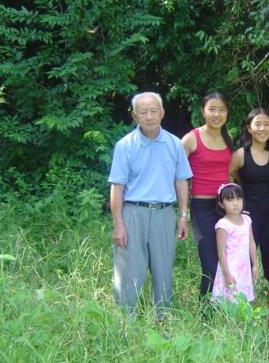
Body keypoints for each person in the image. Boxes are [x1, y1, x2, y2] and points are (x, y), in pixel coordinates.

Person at [108, 91, 192, 319]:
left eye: (154, 111)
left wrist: (183, 215)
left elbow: (181, 180)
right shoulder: (125, 146)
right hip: (133, 212)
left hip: (165, 213)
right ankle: (126, 320)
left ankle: (163, 318)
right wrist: (118, 224)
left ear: (162, 112)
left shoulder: (174, 144)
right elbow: (117, 187)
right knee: (129, 270)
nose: (149, 116)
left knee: (163, 269)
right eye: (143, 112)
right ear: (135, 116)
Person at [230, 108, 269, 318]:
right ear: (249, 128)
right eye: (258, 124)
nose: (263, 128)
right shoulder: (240, 154)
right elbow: (231, 178)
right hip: (247, 217)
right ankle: (243, 306)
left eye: (267, 124)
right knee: (244, 261)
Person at [182, 92, 234, 299]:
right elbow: (176, 174)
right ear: (203, 111)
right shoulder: (191, 138)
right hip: (202, 208)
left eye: (221, 110)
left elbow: (233, 172)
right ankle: (206, 311)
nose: (217, 114)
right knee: (210, 261)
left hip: (227, 208)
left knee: (227, 259)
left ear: (227, 113)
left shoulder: (228, 138)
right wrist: (183, 212)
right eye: (212, 109)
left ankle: (226, 306)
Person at [212, 183, 258, 302]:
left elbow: (252, 242)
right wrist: (227, 274)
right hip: (230, 268)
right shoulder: (223, 225)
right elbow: (221, 252)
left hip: (244, 268)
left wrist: (255, 264)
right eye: (230, 200)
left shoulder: (247, 220)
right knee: (230, 303)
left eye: (239, 199)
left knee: (244, 302)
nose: (236, 203)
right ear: (221, 204)